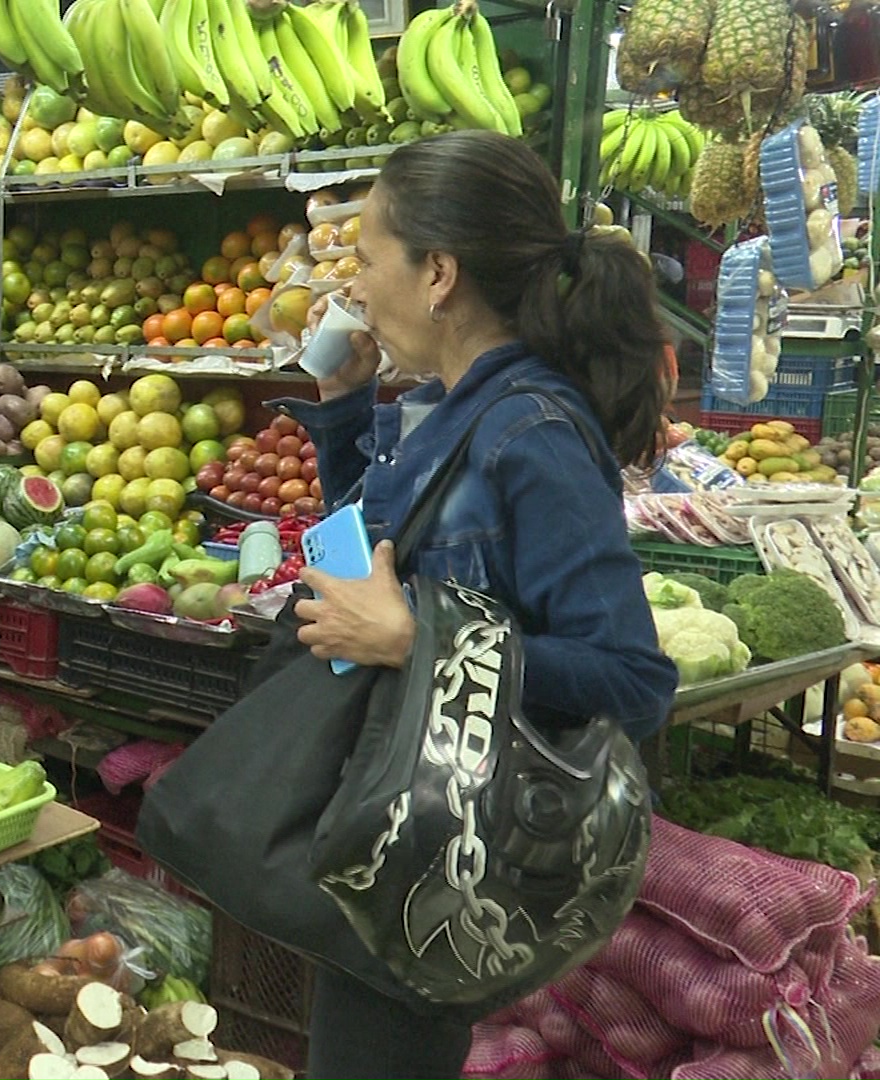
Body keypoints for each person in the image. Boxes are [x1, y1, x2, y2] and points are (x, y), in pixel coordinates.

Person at [279, 131, 679, 1079]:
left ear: (438, 274)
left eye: (371, 258)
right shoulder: (453, 406)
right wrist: (342, 410)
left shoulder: (530, 433)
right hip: (396, 828)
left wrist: (422, 643)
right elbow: (379, 553)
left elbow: (634, 680)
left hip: (453, 859)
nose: (357, 285)